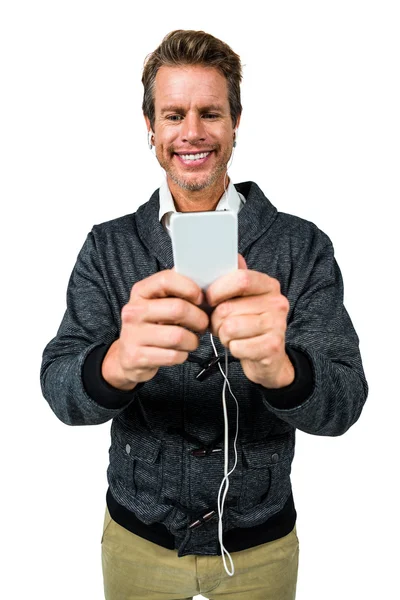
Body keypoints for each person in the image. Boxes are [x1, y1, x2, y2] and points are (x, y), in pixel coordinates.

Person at [40, 29, 368, 600]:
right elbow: (59, 385)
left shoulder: (303, 245)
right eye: (173, 114)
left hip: (259, 544)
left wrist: (285, 372)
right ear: (150, 127)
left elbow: (345, 401)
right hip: (138, 539)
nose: (192, 132)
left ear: (235, 122)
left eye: (210, 112)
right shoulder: (106, 246)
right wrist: (113, 364)